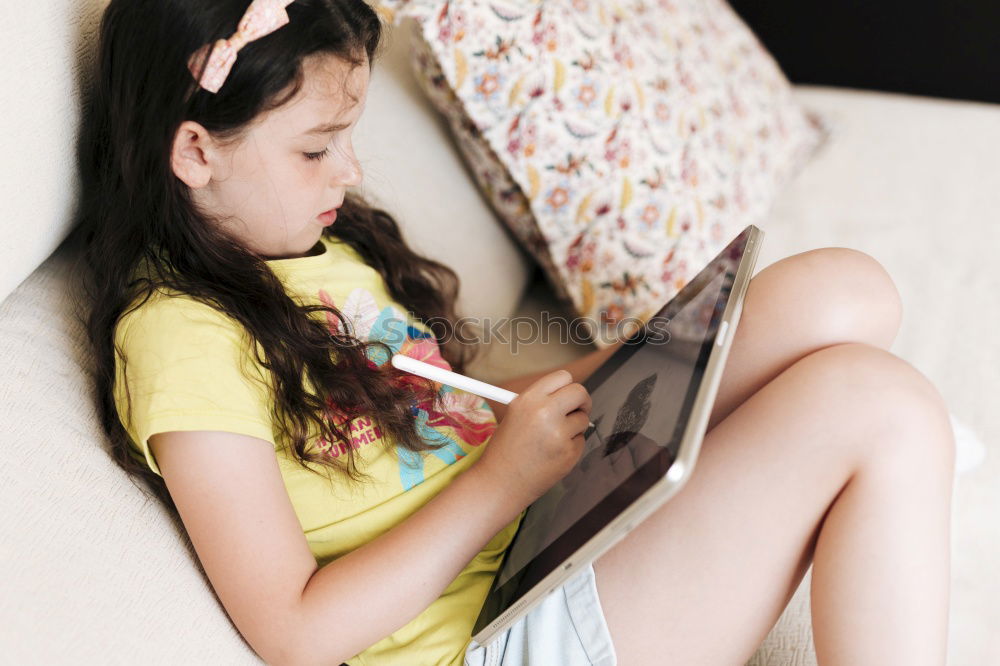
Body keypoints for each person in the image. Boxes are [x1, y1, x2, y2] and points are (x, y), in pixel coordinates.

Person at [74, 1, 956, 665]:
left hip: (541, 527)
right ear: (194, 153)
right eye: (316, 148)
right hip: (496, 636)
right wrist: (501, 482)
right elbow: (294, 630)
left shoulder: (312, 246)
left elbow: (455, 421)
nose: (350, 170)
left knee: (844, 293)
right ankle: (895, 469)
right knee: (883, 408)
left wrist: (608, 377)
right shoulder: (176, 338)